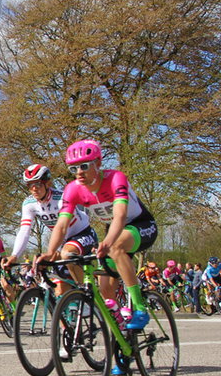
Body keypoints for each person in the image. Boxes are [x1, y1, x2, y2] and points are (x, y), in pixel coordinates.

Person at [45, 139, 157, 337]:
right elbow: (61, 225)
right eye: (73, 168)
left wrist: (107, 242)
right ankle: (122, 337)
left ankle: (140, 307)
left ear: (98, 164)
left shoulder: (116, 178)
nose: (79, 172)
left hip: (141, 225)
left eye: (84, 166)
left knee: (115, 247)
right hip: (114, 230)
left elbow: (121, 216)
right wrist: (50, 252)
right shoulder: (73, 189)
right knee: (105, 289)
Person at [7, 163, 97, 296]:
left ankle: (88, 296)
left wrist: (53, 252)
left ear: (47, 183)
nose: (33, 189)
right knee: (59, 292)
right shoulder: (29, 204)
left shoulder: (61, 197)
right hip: (63, 242)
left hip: (82, 234)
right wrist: (15, 255)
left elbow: (62, 227)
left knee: (66, 254)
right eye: (29, 185)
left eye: (37, 184)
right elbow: (25, 230)